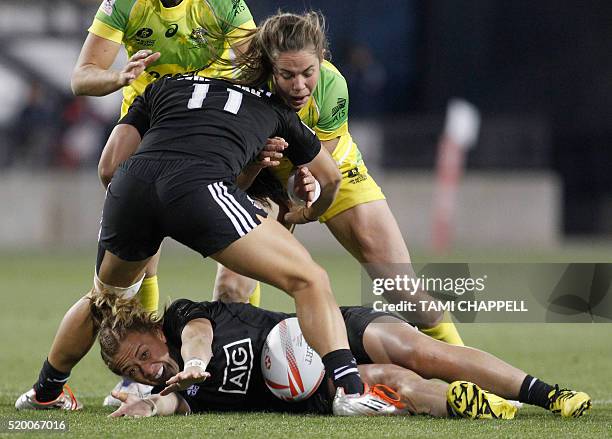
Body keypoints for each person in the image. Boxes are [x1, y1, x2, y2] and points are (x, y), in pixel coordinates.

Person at [15, 73, 374, 411]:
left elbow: (108, 168)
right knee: (309, 278)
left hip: (132, 184)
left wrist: (137, 217)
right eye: (290, 74)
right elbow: (329, 177)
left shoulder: (166, 84)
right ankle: (349, 389)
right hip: (199, 188)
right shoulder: (275, 105)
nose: (298, 84)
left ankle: (45, 392)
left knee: (103, 300)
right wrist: (307, 211)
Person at [16, 0, 260, 410]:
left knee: (251, 268)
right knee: (111, 291)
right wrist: (119, 77)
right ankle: (62, 387)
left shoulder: (221, 4)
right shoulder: (124, 5)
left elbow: (259, 65)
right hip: (156, 128)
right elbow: (82, 77)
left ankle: (244, 367)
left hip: (213, 129)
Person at [208, 11, 464, 345]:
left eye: (307, 72)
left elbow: (318, 166)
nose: (299, 86)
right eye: (287, 74)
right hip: (264, 177)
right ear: (270, 67)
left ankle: (465, 371)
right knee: (231, 288)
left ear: (321, 61)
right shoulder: (243, 91)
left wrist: (304, 193)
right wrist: (256, 163)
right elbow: (231, 184)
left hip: (332, 168)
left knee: (403, 289)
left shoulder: (332, 84)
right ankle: (231, 384)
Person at [96, 296, 591, 419]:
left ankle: (548, 394)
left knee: (417, 349)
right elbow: (173, 406)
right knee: (392, 378)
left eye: (142, 354)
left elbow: (200, 335)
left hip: (323, 328)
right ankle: (464, 403)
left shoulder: (185, 318)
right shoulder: (174, 388)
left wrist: (197, 362)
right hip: (308, 389)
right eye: (132, 371)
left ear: (155, 329)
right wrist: (148, 404)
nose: (146, 370)